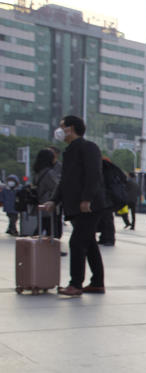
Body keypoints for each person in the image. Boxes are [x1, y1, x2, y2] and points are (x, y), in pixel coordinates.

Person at [41, 115, 107, 297]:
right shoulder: (70, 151)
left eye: (62, 126)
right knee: (89, 243)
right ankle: (97, 282)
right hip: (76, 206)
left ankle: (75, 284)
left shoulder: (89, 148)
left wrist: (87, 199)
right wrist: (54, 200)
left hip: (90, 205)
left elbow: (94, 175)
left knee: (77, 242)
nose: (60, 130)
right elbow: (65, 180)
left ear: (71, 128)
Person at [33, 149, 62, 238]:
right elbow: (57, 187)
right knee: (52, 229)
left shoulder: (37, 172)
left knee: (42, 227)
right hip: (49, 204)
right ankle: (53, 249)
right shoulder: (49, 173)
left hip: (40, 203)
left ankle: (36, 247)